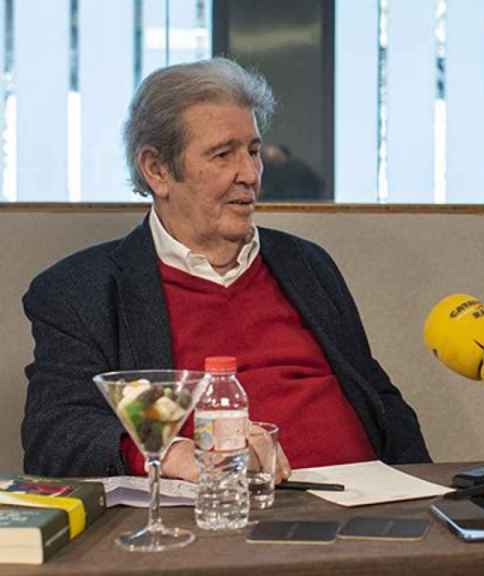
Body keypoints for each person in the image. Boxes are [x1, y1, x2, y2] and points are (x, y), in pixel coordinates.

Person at [21, 58, 430, 480]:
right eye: (223, 155)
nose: (250, 175)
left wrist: (430, 501)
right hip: (219, 519)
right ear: (157, 170)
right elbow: (55, 435)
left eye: (254, 151)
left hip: (366, 504)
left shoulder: (308, 265)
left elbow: (382, 401)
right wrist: (175, 455)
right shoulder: (81, 291)